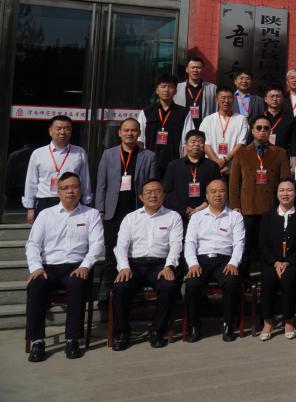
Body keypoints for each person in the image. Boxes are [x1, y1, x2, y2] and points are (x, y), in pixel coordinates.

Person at [24, 172, 103, 362]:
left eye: (74, 187)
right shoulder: (46, 215)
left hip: (76, 266)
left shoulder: (91, 214)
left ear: (80, 190)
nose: (70, 191)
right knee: (35, 285)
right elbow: (33, 244)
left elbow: (97, 245)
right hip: (48, 267)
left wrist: (85, 266)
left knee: (77, 284)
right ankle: (37, 341)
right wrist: (36, 268)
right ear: (58, 192)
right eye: (65, 188)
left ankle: (72, 339)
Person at [110, 179, 182, 350]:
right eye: (148, 192)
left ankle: (157, 330)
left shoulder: (173, 217)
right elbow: (121, 246)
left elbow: (176, 244)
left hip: (159, 264)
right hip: (134, 264)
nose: (153, 195)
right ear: (141, 197)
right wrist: (124, 267)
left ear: (163, 195)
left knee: (168, 286)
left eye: (157, 191)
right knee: (120, 287)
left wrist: (169, 266)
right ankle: (122, 333)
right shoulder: (131, 218)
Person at [95, 118, 157, 297]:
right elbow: (101, 184)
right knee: (111, 250)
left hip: (137, 210)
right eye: (126, 130)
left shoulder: (148, 156)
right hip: (113, 211)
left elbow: (152, 185)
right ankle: (108, 288)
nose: (130, 133)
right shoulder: (108, 154)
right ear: (119, 133)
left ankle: (129, 285)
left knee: (134, 248)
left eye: (134, 130)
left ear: (139, 133)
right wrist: (100, 209)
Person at [183, 179, 245, 342]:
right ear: (207, 195)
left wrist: (233, 263)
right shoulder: (197, 217)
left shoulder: (235, 216)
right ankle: (194, 325)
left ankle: (227, 324)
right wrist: (193, 264)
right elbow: (189, 242)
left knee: (231, 282)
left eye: (221, 191)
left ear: (227, 193)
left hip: (225, 260)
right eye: (213, 191)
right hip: (201, 260)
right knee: (192, 284)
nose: (218, 194)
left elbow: (239, 244)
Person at [229, 116, 291, 275]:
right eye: (259, 128)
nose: (262, 131)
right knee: (246, 246)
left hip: (271, 207)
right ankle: (243, 280)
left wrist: (283, 206)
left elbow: (285, 181)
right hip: (247, 207)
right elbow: (234, 182)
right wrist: (235, 206)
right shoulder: (241, 152)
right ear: (252, 130)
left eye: (266, 128)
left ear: (270, 131)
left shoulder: (280, 152)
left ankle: (268, 278)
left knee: (269, 245)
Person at [257, 180, 296, 341]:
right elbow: (262, 244)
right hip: (272, 262)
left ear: (295, 193)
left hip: (295, 262)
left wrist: (288, 262)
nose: (285, 194)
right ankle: (268, 322)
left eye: (289, 190)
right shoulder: (267, 216)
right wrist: (275, 262)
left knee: (288, 278)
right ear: (277, 194)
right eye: (281, 190)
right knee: (268, 278)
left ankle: (289, 321)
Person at [23, 115, 92, 223]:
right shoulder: (38, 153)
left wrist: (87, 202)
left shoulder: (79, 152)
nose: (62, 132)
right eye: (58, 128)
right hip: (46, 201)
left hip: (71, 201)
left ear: (71, 131)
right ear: (50, 131)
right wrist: (30, 207)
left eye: (67, 128)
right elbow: (31, 181)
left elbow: (85, 179)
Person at [137, 73, 193, 178]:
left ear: (175, 91)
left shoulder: (184, 113)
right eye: (163, 86)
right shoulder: (146, 112)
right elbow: (140, 139)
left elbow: (188, 141)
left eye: (170, 87)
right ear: (157, 90)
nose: (166, 90)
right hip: (150, 163)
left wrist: (185, 163)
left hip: (174, 162)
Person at [163, 130, 222, 223]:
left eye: (200, 142)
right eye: (193, 141)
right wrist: (184, 208)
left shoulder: (212, 166)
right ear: (186, 144)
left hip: (206, 213)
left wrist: (203, 206)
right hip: (179, 214)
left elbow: (217, 188)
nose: (196, 144)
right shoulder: (174, 165)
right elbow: (168, 191)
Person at [198, 88, 248, 176]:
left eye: (229, 98)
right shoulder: (208, 120)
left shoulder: (241, 119)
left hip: (232, 167)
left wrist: (225, 160)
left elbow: (241, 144)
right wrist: (217, 163)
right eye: (223, 97)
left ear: (234, 99)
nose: (226, 101)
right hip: (211, 166)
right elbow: (205, 144)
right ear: (217, 100)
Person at [249, 85, 295, 160]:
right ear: (265, 99)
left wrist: (294, 162)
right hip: (259, 157)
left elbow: (294, 144)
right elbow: (249, 141)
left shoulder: (289, 119)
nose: (275, 99)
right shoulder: (257, 119)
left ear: (283, 99)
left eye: (278, 96)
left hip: (281, 159)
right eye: (272, 96)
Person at [174, 56, 217, 122]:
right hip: (182, 125)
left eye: (198, 68)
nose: (195, 70)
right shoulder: (177, 88)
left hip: (204, 126)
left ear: (203, 69)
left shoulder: (212, 88)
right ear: (187, 69)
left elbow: (216, 109)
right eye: (192, 67)